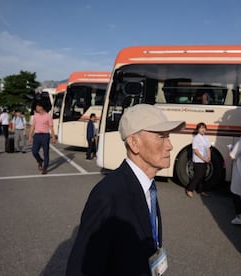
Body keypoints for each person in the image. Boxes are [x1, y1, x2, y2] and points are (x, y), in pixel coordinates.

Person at [66, 104, 185, 276]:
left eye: (168, 136)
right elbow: (82, 268)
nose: (170, 145)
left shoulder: (148, 186)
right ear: (134, 143)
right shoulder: (107, 196)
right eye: (161, 137)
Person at [28, 101, 56, 175]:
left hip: (45, 136)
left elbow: (51, 127)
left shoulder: (48, 116)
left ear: (41, 107)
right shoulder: (35, 116)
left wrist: (53, 137)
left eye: (37, 106)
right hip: (37, 136)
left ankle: (45, 168)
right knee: (34, 151)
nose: (36, 108)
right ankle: (40, 160)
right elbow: (33, 126)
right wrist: (30, 135)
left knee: (46, 153)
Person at [185, 122, 211, 198]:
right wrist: (203, 158)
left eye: (204, 128)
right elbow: (195, 150)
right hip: (198, 160)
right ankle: (189, 190)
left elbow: (208, 148)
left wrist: (209, 157)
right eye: (201, 128)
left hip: (205, 160)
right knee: (197, 176)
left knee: (203, 176)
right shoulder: (196, 138)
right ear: (198, 130)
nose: (203, 130)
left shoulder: (206, 138)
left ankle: (200, 190)